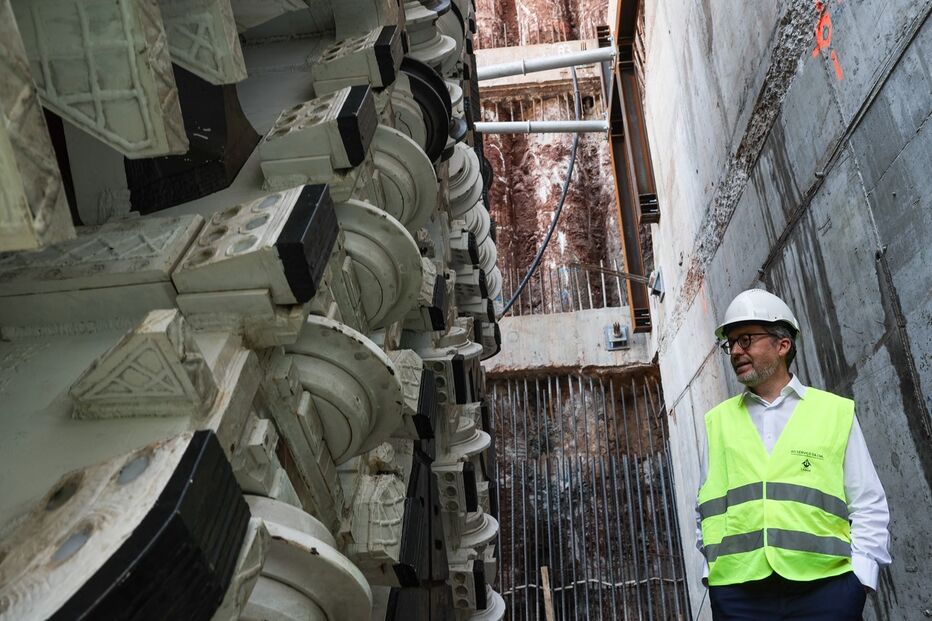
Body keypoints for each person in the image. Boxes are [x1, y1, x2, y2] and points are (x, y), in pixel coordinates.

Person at [696, 289, 891, 620]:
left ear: (782, 345)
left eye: (746, 340)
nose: (736, 352)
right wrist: (712, 576)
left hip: (826, 590)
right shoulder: (718, 421)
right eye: (731, 344)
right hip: (739, 595)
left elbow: (868, 502)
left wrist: (860, 580)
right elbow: (705, 509)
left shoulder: (833, 412)